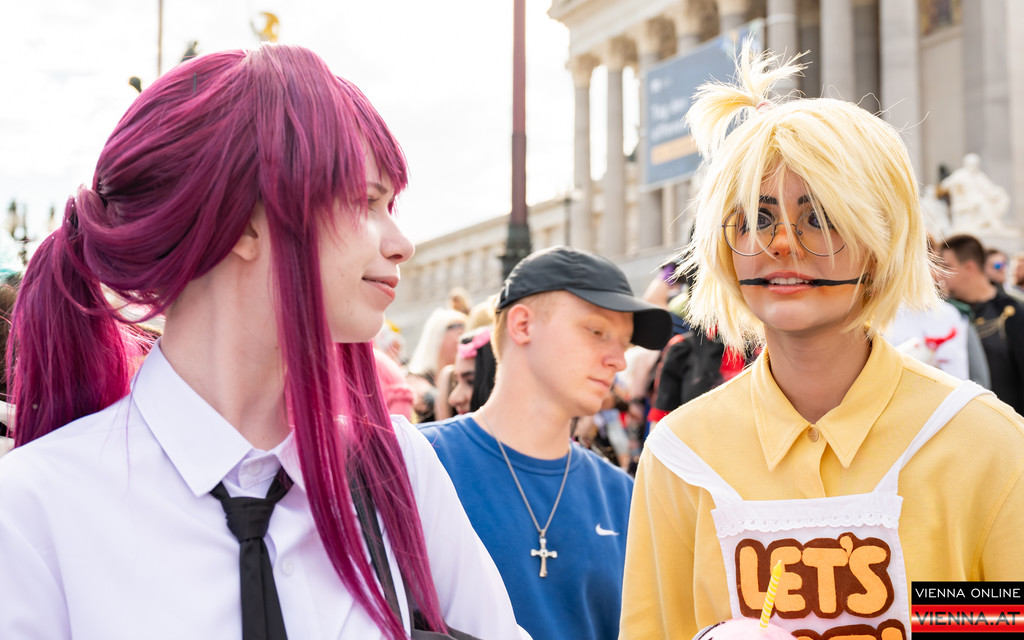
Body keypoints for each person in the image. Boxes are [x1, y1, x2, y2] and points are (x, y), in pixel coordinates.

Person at [0, 45, 523, 640]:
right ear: (243, 221)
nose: (402, 242)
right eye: (366, 201)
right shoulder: (36, 510)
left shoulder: (398, 471)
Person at [621, 44, 1024, 640]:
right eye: (756, 219)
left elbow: (987, 626)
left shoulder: (977, 444)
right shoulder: (681, 457)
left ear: (881, 240)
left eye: (820, 217)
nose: (782, 244)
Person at [419, 246, 673, 640]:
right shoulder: (419, 462)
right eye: (596, 332)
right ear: (523, 325)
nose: (618, 360)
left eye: (623, 344)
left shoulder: (622, 495)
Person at [939, 234, 1024, 414]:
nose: (940, 274)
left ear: (969, 267)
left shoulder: (1013, 311)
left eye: (947, 266)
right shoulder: (946, 314)